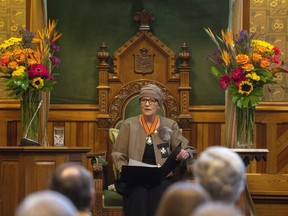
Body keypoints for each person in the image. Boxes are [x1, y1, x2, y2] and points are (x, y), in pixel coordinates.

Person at [112, 83, 194, 216]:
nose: (147, 104)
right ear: (140, 104)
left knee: (159, 192)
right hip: (135, 178)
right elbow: (118, 153)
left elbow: (186, 148)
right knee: (138, 193)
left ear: (159, 104)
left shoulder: (169, 124)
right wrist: (125, 170)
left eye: (152, 100)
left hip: (161, 178)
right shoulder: (129, 125)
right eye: (143, 100)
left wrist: (185, 154)